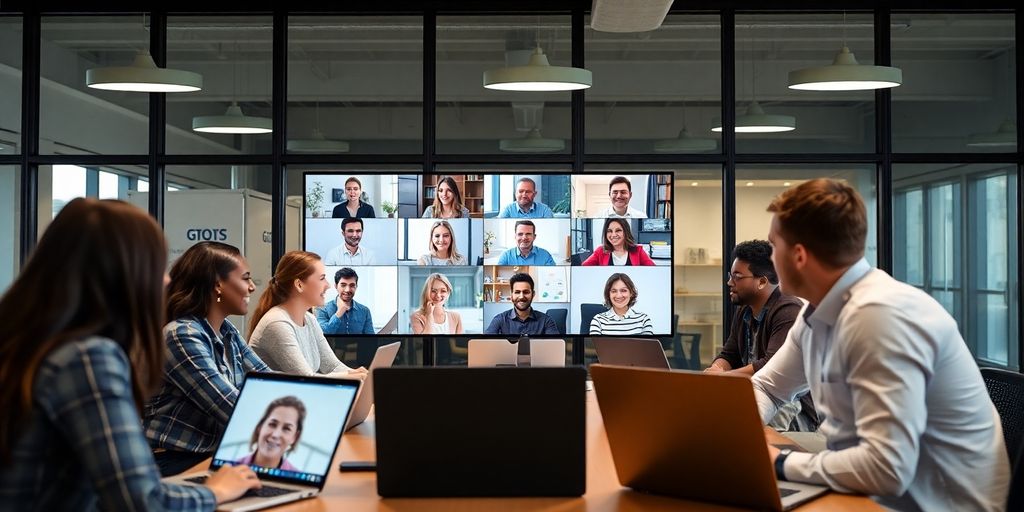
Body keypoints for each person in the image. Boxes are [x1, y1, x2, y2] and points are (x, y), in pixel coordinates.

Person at [755, 179, 1009, 511]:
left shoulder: (878, 317)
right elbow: (769, 388)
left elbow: (886, 468)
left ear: (799, 255)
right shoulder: (815, 314)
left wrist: (779, 462)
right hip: (867, 494)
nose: (771, 258)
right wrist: (739, 434)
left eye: (775, 246)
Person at [0, 198, 259, 509]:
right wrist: (215, 491)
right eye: (156, 266)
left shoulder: (36, 344)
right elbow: (142, 501)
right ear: (122, 273)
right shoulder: (87, 358)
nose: (166, 281)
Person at [144, 241, 272, 477]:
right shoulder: (181, 334)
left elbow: (270, 383)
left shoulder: (227, 332)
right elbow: (232, 407)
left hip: (211, 457)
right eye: (245, 278)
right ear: (218, 285)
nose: (253, 287)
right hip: (173, 464)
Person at [704, 240, 815, 431]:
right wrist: (717, 369)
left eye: (737, 276)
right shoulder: (745, 309)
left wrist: (724, 378)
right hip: (756, 395)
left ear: (762, 281)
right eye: (731, 275)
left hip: (792, 407)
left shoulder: (789, 310)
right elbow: (729, 353)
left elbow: (771, 366)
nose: (730, 282)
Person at [248, 251, 367, 378]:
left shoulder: (309, 319)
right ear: (299, 285)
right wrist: (352, 377)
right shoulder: (276, 323)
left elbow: (332, 366)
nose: (327, 285)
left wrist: (359, 374)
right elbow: (305, 379)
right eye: (322, 278)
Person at [234, 396, 305, 471]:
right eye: (272, 424)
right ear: (260, 426)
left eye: (286, 428)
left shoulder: (298, 479)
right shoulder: (231, 468)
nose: (275, 434)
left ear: (295, 437)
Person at [485, 273, 561, 335]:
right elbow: (486, 345)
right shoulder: (499, 319)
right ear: (511, 295)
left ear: (533, 294)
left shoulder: (547, 321)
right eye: (517, 292)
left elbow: (555, 348)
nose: (521, 297)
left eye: (526, 292)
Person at [588, 273, 653, 335]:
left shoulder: (644, 319)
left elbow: (646, 346)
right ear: (609, 294)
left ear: (631, 293)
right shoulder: (598, 320)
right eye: (614, 291)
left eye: (623, 290)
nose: (619, 296)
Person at [317, 267, 374, 335]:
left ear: (356, 287)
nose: (347, 290)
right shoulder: (322, 309)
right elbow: (322, 334)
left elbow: (371, 339)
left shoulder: (365, 311)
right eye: (343, 285)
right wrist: (339, 312)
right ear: (336, 286)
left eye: (352, 285)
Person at [581, 218, 656, 266]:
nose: (613, 235)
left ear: (625, 232)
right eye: (609, 231)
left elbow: (653, 270)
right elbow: (583, 268)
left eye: (618, 230)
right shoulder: (600, 251)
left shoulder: (638, 250)